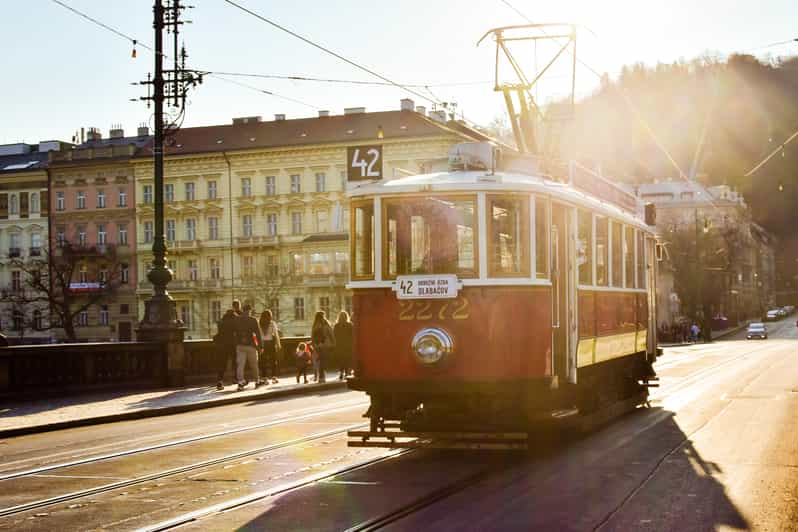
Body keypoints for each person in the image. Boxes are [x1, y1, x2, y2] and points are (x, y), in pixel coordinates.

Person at [235, 304, 262, 391]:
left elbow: (234, 333)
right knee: (254, 364)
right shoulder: (253, 320)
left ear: (243, 310)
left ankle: (240, 382)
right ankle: (257, 381)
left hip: (240, 345)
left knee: (240, 365)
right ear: (250, 311)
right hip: (250, 345)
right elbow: (258, 334)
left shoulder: (237, 319)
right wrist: (260, 346)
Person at [213, 309, 237, 390]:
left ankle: (220, 381)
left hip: (222, 346)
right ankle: (236, 378)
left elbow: (219, 334)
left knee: (222, 364)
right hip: (232, 345)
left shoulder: (221, 322)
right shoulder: (234, 322)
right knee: (236, 362)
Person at [311, 311, 335, 384]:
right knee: (323, 361)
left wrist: (313, 344)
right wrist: (333, 342)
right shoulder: (325, 324)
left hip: (317, 345)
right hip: (325, 344)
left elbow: (312, 336)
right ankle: (322, 377)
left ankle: (321, 377)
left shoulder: (315, 325)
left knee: (321, 360)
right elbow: (331, 333)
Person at [258, 309, 281, 385]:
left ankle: (264, 378)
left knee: (263, 361)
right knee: (273, 361)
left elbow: (257, 335)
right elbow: (276, 334)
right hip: (270, 343)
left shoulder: (259, 323)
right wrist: (278, 344)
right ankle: (274, 377)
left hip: (262, 344)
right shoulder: (272, 323)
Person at [334, 310, 353, 380]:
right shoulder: (349, 325)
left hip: (339, 345)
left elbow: (334, 335)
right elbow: (353, 335)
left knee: (341, 359)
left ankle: (341, 373)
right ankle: (347, 372)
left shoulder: (336, 325)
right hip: (348, 345)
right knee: (347, 359)